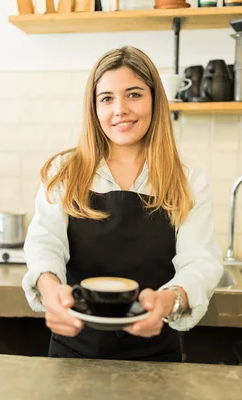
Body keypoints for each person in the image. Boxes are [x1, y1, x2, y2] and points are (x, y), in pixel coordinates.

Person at [22, 46, 223, 362]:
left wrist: (167, 301)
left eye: (133, 95)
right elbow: (44, 245)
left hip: (156, 356)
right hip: (73, 352)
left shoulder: (187, 180)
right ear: (94, 108)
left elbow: (200, 261)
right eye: (107, 98)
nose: (120, 109)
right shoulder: (64, 172)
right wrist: (51, 292)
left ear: (155, 101)